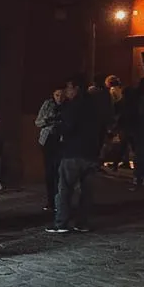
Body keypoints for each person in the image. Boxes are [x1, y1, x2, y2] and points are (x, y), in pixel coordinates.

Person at [47, 75, 102, 234]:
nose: (66, 91)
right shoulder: (94, 105)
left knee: (64, 188)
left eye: (69, 88)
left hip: (73, 152)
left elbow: (68, 127)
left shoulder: (73, 106)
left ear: (76, 88)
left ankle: (62, 223)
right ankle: (82, 222)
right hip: (91, 152)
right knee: (86, 191)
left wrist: (58, 128)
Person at [35, 88, 64, 212]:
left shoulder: (67, 106)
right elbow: (38, 122)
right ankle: (50, 201)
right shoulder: (48, 104)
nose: (59, 98)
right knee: (49, 172)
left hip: (61, 140)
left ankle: (59, 201)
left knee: (59, 172)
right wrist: (48, 119)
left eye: (61, 95)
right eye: (57, 95)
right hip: (48, 140)